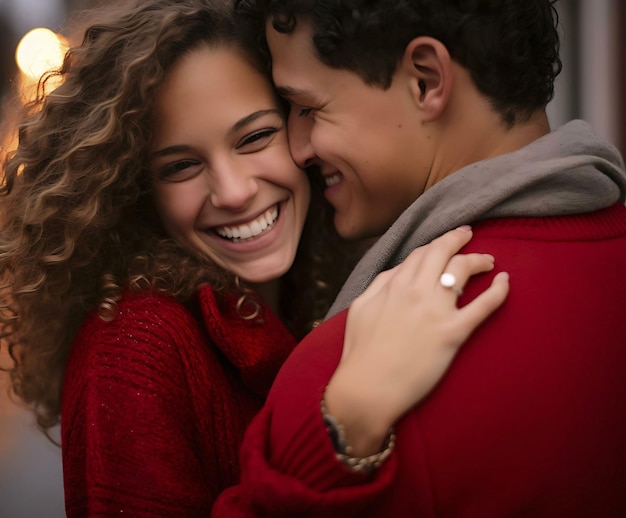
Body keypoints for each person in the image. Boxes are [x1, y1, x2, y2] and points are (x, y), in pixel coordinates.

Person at [0, 0, 508, 516]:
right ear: (136, 191)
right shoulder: (133, 346)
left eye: (257, 136)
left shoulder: (328, 275)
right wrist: (344, 428)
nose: (235, 191)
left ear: (303, 122)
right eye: (180, 166)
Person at [212, 0, 626, 516]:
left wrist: (327, 438)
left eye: (307, 108)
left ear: (426, 81)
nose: (297, 149)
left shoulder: (343, 384)